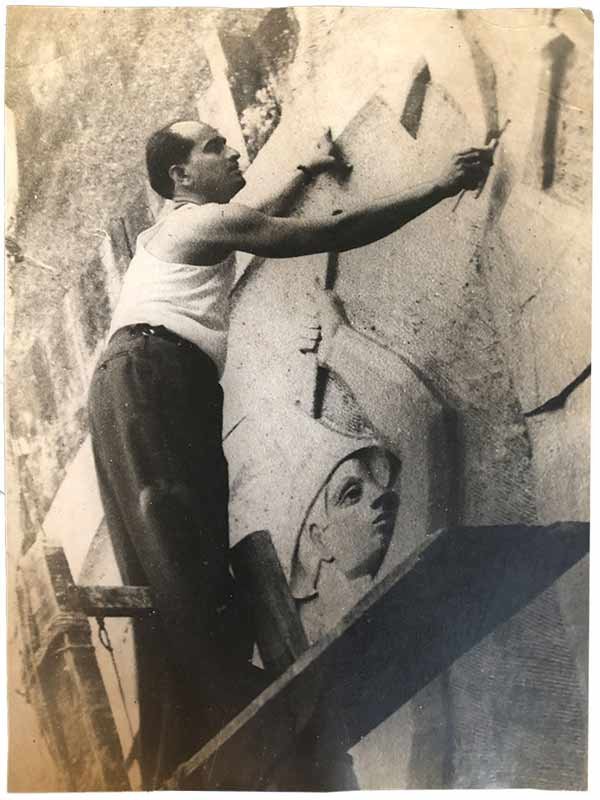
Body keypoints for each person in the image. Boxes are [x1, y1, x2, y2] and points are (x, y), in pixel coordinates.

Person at [88, 117, 493, 785]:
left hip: (152, 382)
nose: (232, 149)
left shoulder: (193, 229)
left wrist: (305, 171)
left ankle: (200, 720)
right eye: (214, 146)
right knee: (178, 554)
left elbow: (250, 222)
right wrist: (438, 185)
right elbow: (321, 234)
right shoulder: (195, 224)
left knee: (181, 556)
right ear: (180, 177)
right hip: (150, 381)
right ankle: (222, 708)